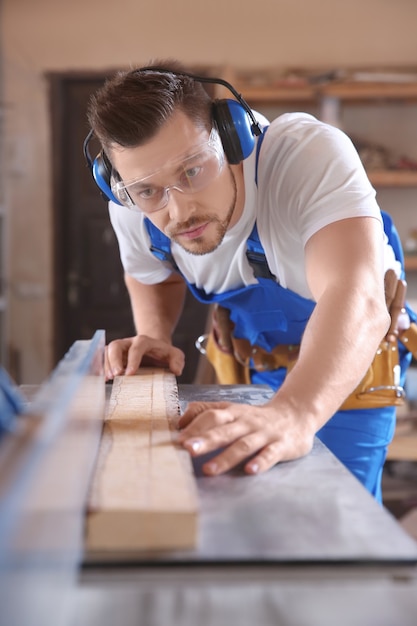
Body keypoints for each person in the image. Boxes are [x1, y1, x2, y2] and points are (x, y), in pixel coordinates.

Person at [85, 59, 417, 502]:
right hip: (247, 366)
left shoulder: (306, 156)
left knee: (334, 519)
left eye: (191, 171)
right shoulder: (133, 206)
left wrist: (295, 413)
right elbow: (153, 271)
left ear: (230, 137)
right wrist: (154, 333)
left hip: (348, 370)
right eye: (149, 191)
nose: (179, 211)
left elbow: (355, 296)